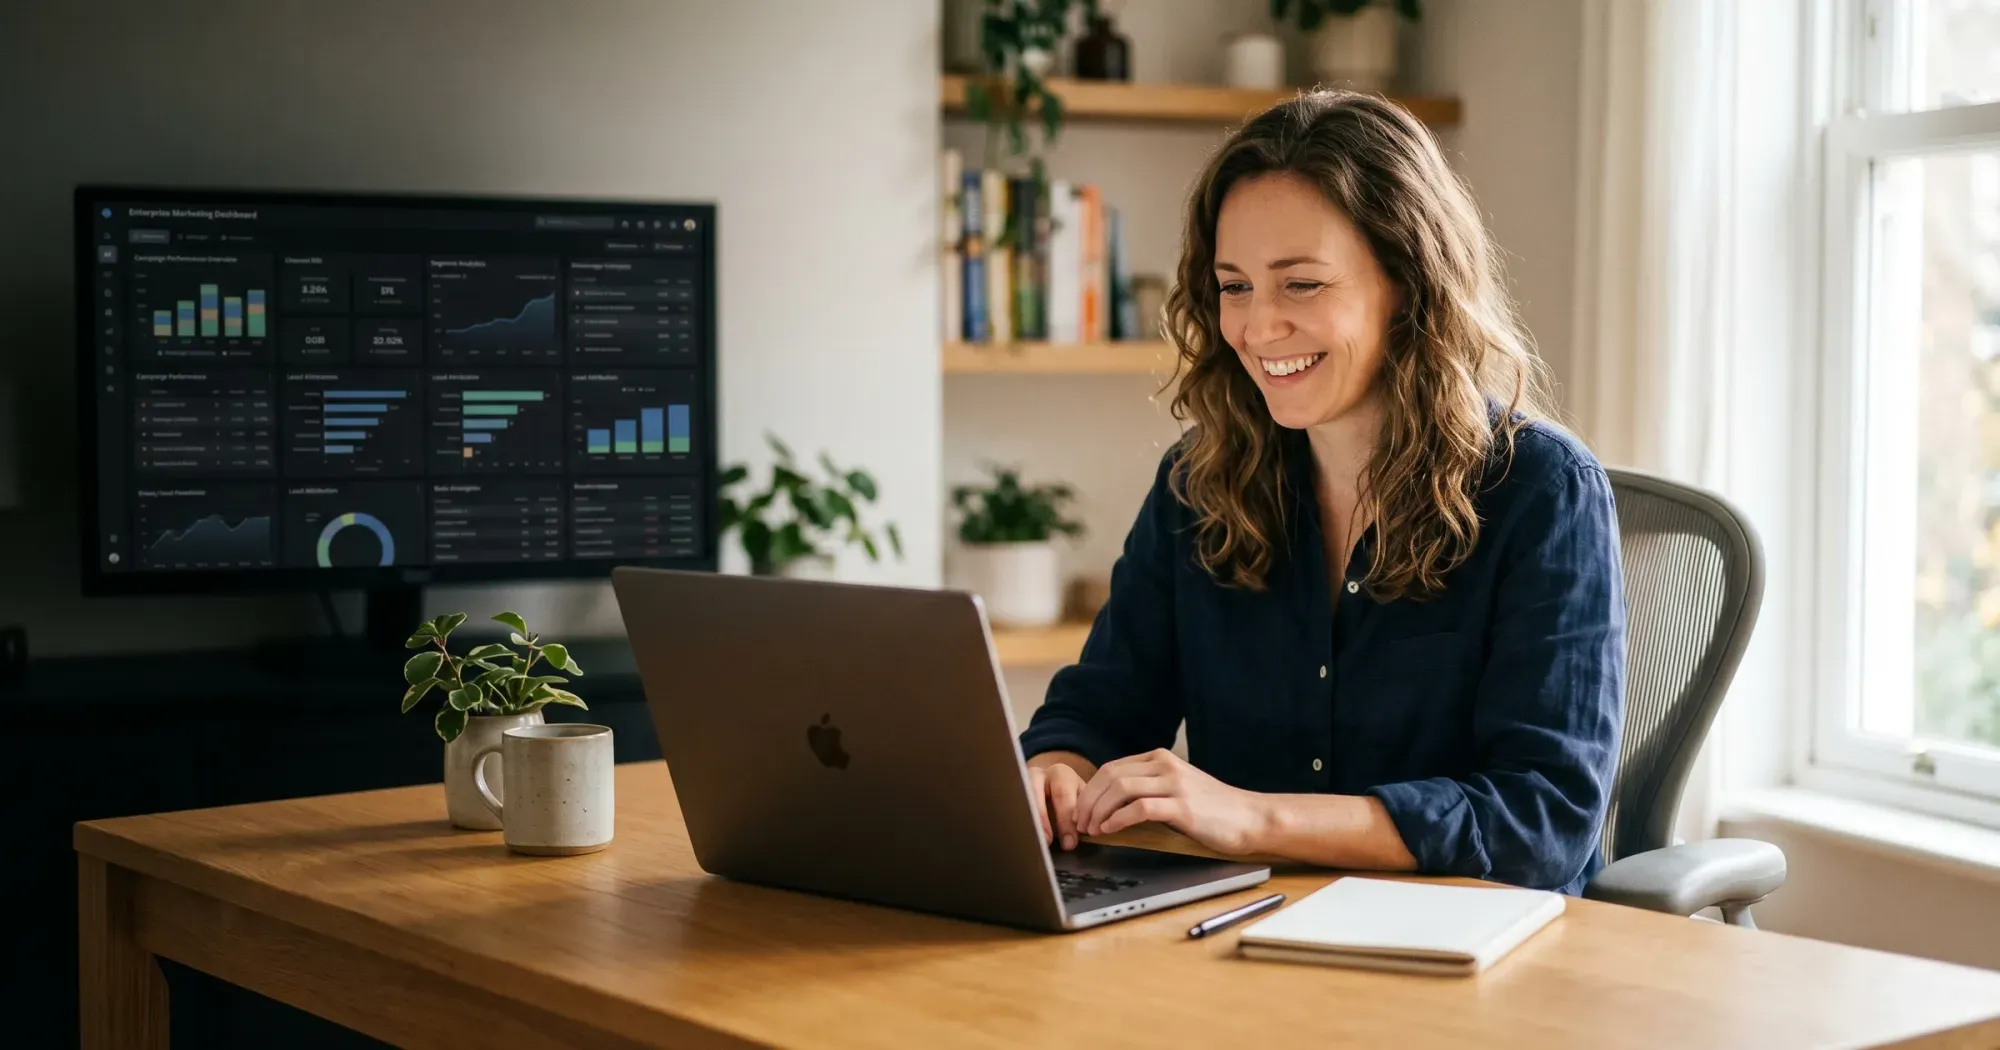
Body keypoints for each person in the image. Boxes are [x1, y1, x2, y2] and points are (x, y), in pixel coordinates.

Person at [1018, 91, 1626, 896]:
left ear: (1407, 282)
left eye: (1301, 284)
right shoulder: (1197, 484)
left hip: (1472, 945)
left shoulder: (1543, 492)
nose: (1257, 327)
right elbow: (1099, 712)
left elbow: (1539, 820)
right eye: (1235, 286)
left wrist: (1254, 818)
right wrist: (1054, 771)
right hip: (1242, 928)